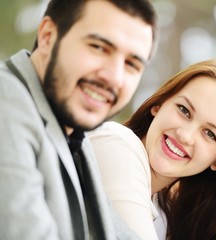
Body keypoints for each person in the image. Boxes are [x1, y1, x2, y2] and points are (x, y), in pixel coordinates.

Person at [0, 0, 157, 239]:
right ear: (47, 36)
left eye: (131, 64)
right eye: (98, 47)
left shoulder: (74, 134)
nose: (114, 78)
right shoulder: (7, 102)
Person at [88, 58, 216, 239]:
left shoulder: (167, 214)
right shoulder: (116, 145)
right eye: (184, 110)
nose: (185, 136)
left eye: (210, 134)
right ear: (159, 104)